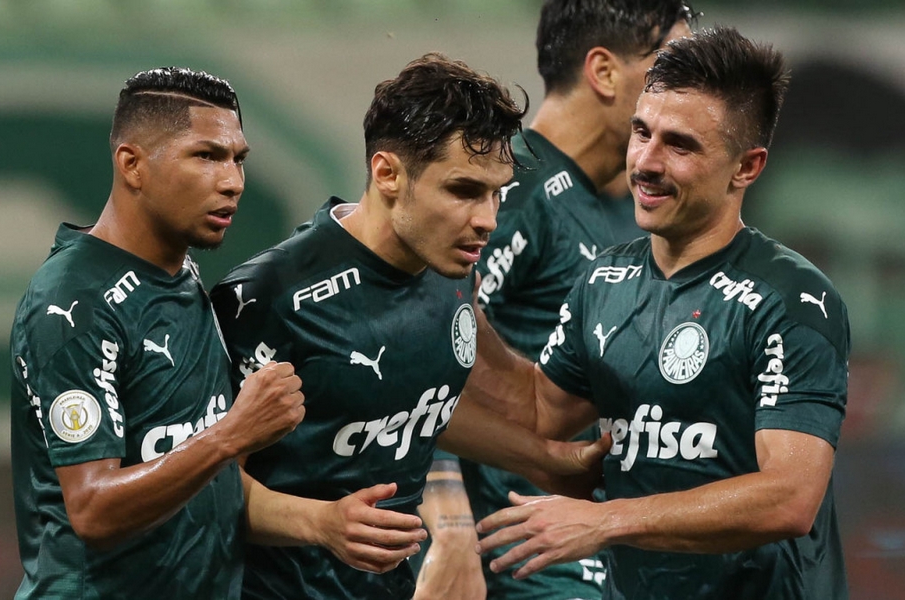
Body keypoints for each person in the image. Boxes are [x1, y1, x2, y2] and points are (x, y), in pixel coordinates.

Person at [210, 53, 610, 600]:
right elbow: (203, 485)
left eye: (496, 193)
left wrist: (543, 461)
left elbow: (410, 403)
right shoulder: (267, 298)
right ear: (388, 174)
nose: (488, 220)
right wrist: (320, 523)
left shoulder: (451, 272)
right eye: (463, 191)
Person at [472, 27, 850, 599]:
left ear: (746, 167)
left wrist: (605, 520)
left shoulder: (791, 301)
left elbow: (789, 498)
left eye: (680, 145)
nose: (645, 162)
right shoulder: (603, 281)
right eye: (641, 132)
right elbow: (537, 414)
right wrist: (457, 309)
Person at [416, 2, 695, 599]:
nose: (689, 88)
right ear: (604, 72)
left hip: (586, 557)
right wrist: (451, 523)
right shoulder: (512, 188)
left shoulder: (608, 210)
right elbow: (419, 340)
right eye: (670, 65)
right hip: (521, 565)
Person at [9, 66, 307, 599]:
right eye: (206, 156)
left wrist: (328, 525)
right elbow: (93, 509)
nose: (233, 182)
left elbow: (205, 489)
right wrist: (230, 435)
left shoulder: (179, 271)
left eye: (238, 159)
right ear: (132, 165)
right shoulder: (73, 304)